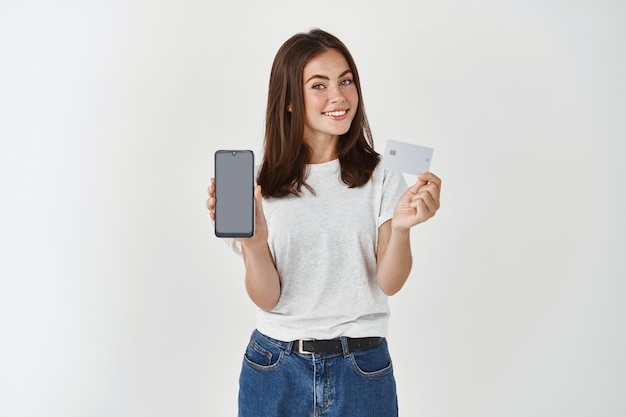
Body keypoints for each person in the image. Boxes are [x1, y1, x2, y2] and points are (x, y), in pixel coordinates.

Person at [206, 28, 441, 417]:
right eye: (319, 85)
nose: (339, 96)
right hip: (275, 367)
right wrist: (254, 242)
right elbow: (268, 298)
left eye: (346, 81)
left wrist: (401, 229)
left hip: (363, 367)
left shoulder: (380, 174)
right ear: (290, 102)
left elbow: (389, 283)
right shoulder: (258, 186)